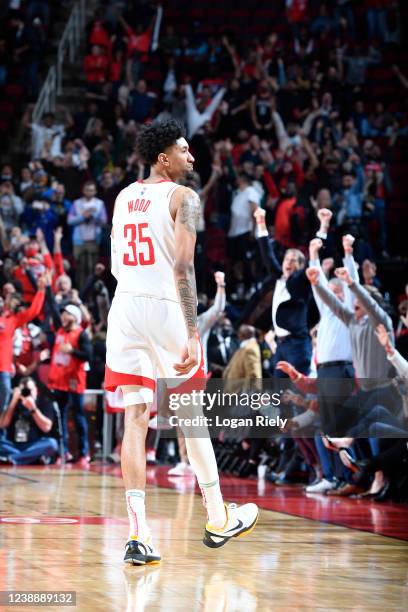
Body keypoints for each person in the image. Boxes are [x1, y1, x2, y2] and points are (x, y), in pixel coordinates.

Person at [104, 119, 258, 566]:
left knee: (135, 418)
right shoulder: (185, 198)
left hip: (125, 307)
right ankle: (216, 517)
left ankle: (139, 533)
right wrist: (192, 329)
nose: (192, 157)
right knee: (191, 416)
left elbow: (120, 262)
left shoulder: (123, 197)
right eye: (185, 150)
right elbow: (183, 268)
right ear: (162, 158)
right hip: (164, 306)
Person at [0, 377, 58, 466]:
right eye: (23, 391)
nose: (26, 393)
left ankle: (14, 459)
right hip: (13, 445)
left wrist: (33, 408)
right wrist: (13, 401)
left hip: (33, 445)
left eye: (29, 390)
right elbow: (3, 424)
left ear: (35, 390)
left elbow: (46, 428)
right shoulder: (13, 402)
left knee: (52, 444)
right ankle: (30, 458)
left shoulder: (44, 403)